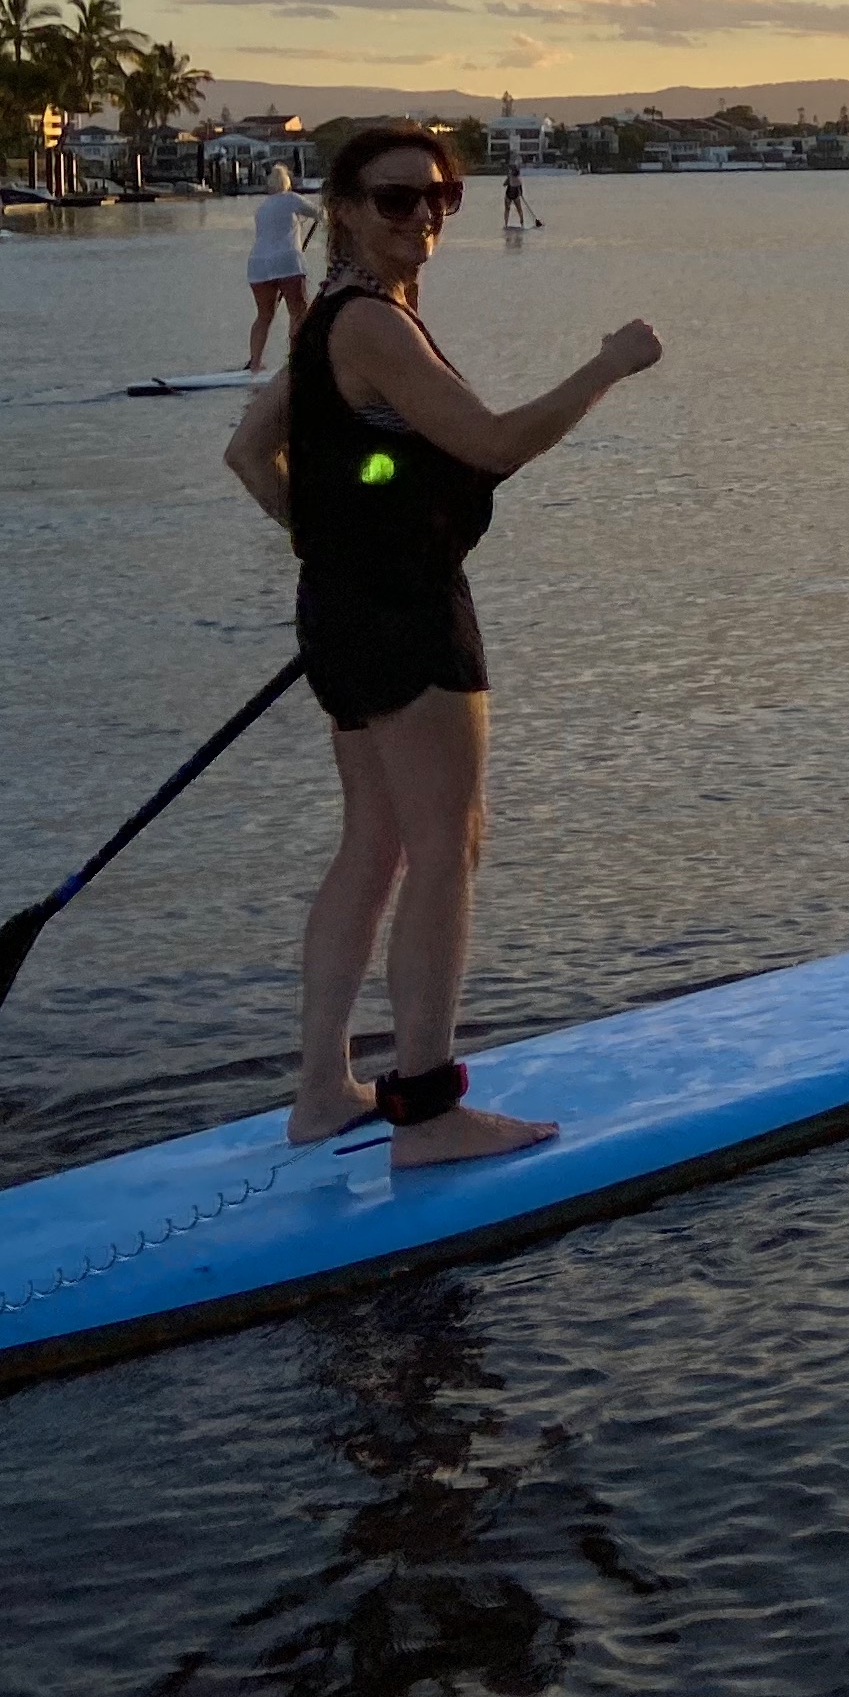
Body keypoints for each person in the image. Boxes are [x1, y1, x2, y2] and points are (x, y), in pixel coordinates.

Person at [222, 127, 663, 1167]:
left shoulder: (328, 318)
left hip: (341, 613)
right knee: (447, 847)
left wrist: (331, 549)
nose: (422, 217)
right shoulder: (373, 325)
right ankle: (425, 1110)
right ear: (343, 207)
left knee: (374, 845)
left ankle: (325, 1092)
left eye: (440, 200)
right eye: (395, 200)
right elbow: (496, 445)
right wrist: (609, 364)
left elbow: (249, 453)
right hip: (406, 617)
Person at [242, 176, 320, 370]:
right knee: (299, 311)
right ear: (287, 183)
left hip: (258, 264)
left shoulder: (262, 207)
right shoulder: (292, 198)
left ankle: (255, 363)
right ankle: (297, 362)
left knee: (264, 315)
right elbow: (320, 214)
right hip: (287, 261)